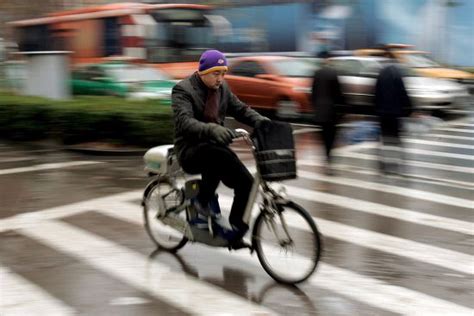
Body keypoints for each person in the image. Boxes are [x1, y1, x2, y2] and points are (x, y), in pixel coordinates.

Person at [171, 49, 269, 248]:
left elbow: (241, 109)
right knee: (217, 154)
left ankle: (235, 230)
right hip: (190, 151)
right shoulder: (183, 90)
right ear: (203, 71)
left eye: (223, 73)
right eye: (216, 73)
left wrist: (262, 122)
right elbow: (184, 122)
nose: (220, 78)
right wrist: (211, 129)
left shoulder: (223, 89)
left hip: (215, 150)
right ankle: (201, 201)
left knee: (247, 184)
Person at [374, 63, 413, 174]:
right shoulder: (397, 75)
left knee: (384, 138)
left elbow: (376, 94)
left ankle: (383, 164)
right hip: (395, 113)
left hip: (382, 113)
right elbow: (403, 93)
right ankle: (397, 162)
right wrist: (409, 108)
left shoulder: (380, 75)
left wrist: (376, 110)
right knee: (396, 139)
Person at [311, 61, 345, 175]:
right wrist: (343, 107)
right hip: (331, 111)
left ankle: (326, 157)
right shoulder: (333, 73)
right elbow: (338, 93)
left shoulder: (317, 73)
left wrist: (315, 106)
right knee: (331, 137)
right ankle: (329, 159)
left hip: (320, 111)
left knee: (324, 136)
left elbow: (313, 92)